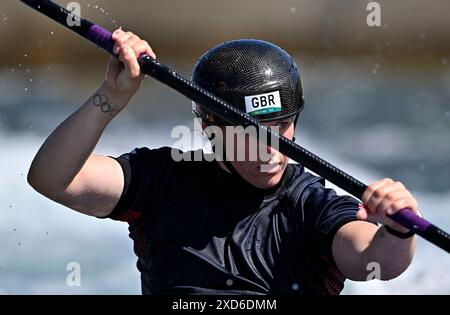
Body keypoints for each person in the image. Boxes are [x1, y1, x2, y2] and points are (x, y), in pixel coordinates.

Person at [27, 29, 418, 295]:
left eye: (281, 127)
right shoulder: (161, 181)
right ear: (211, 131)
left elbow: (375, 260)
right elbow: (52, 178)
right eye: (250, 132)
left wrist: (399, 229)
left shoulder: (311, 206)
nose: (270, 150)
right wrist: (111, 96)